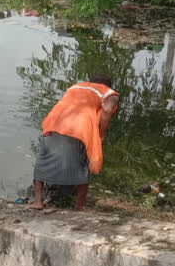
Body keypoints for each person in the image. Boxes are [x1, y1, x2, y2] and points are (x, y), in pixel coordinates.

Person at [30, 75, 119, 211]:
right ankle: (79, 208)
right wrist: (101, 134)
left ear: (91, 82)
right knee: (83, 166)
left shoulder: (77, 86)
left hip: (53, 122)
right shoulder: (110, 93)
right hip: (80, 128)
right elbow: (107, 110)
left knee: (44, 159)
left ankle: (38, 202)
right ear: (108, 85)